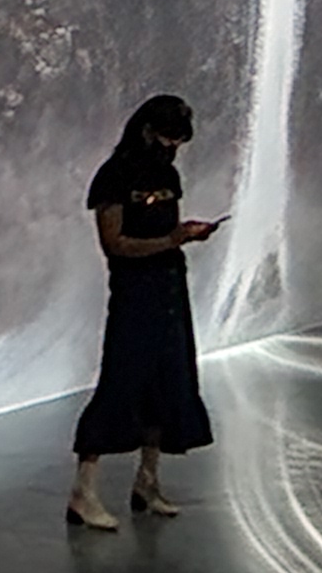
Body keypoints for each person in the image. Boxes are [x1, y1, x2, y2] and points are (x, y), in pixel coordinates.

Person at [68, 93, 219, 530]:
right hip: (135, 293)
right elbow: (114, 244)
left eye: (179, 141)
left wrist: (186, 236)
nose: (172, 147)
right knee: (120, 382)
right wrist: (172, 240)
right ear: (147, 130)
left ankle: (147, 481)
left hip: (170, 288)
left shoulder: (168, 175)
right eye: (168, 137)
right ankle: (83, 492)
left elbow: (168, 228)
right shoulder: (113, 177)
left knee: (168, 382)